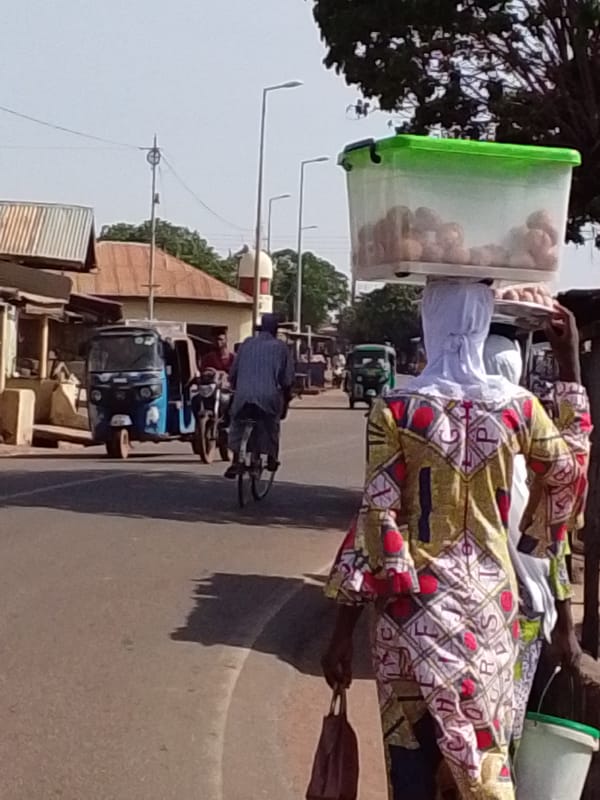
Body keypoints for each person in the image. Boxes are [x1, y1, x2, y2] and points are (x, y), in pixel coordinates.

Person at [321, 281, 590, 800]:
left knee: (411, 763)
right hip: (491, 618)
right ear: (485, 322)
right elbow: (569, 476)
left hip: (408, 616)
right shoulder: (518, 410)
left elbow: (376, 515)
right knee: (484, 764)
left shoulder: (394, 409)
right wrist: (568, 368)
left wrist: (345, 628)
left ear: (429, 324)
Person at [483, 331, 582, 751]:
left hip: (464, 618)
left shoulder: (445, 437)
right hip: (523, 617)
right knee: (507, 742)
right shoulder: (530, 441)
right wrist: (565, 629)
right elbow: (553, 541)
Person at [224, 314, 295, 478]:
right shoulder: (281, 347)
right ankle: (271, 456)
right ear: (276, 330)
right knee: (271, 423)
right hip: (267, 397)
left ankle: (235, 460)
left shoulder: (246, 344)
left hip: (243, 396)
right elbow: (286, 380)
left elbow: (233, 374)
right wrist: (286, 402)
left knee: (237, 423)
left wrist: (237, 387)